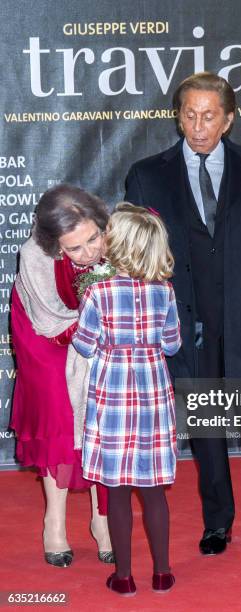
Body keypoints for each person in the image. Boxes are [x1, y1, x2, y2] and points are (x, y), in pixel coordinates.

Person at [124, 72, 241, 563]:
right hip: (187, 325)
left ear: (228, 120)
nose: (197, 126)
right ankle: (217, 524)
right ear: (177, 115)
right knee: (206, 435)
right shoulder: (146, 174)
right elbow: (137, 253)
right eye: (189, 114)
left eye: (209, 116)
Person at [73, 204, 181, 596]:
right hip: (153, 397)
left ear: (115, 246)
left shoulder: (99, 292)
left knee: (116, 491)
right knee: (153, 491)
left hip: (112, 397)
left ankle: (123, 577)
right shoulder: (164, 290)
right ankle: (163, 573)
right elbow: (172, 344)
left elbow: (84, 346)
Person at [10, 184, 113, 566]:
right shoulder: (34, 256)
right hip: (43, 330)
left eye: (94, 239)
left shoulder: (115, 236)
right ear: (56, 247)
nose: (89, 253)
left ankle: (102, 518)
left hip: (96, 324)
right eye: (75, 249)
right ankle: (54, 520)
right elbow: (51, 320)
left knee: (102, 408)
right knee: (58, 411)